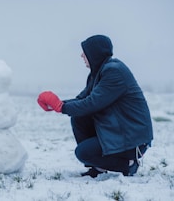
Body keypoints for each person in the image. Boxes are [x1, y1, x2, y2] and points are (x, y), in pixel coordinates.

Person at [37, 35, 153, 178]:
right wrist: (57, 104)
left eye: (84, 52)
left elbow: (91, 103)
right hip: (119, 131)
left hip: (133, 139)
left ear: (94, 53)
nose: (81, 55)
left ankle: (128, 164)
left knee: (83, 153)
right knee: (79, 118)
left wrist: (61, 107)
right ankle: (98, 168)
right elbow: (82, 99)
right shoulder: (97, 74)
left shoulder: (114, 71)